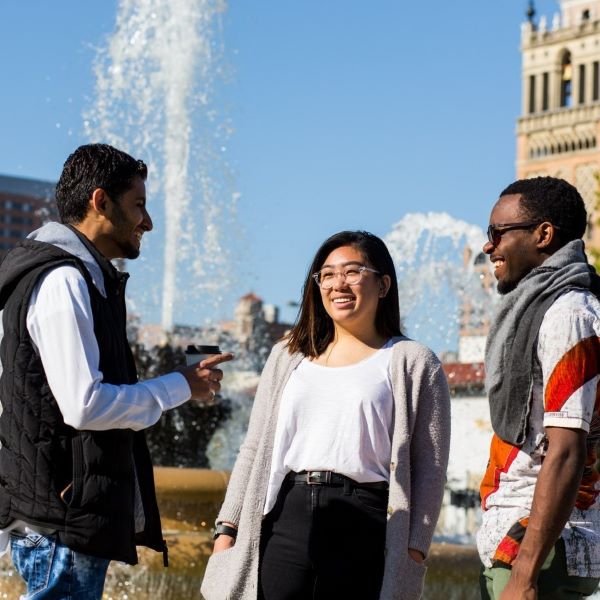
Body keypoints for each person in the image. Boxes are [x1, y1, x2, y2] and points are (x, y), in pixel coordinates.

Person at [0, 143, 232, 599]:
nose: (148, 222)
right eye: (139, 206)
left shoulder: (67, 276)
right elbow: (85, 405)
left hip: (51, 509)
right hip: (63, 514)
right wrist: (178, 386)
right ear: (100, 202)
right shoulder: (63, 279)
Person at [201, 230, 451, 600]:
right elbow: (253, 448)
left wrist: (414, 548)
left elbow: (429, 467)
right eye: (328, 274)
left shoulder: (414, 362)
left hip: (366, 519)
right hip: (287, 515)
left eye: (352, 272)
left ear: (383, 285)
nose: (338, 284)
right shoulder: (287, 355)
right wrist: (227, 528)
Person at [477, 176, 600, 600]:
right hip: (521, 545)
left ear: (543, 234)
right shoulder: (542, 307)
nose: (488, 246)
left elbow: (566, 449)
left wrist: (525, 575)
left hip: (540, 552)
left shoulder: (569, 315)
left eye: (497, 233)